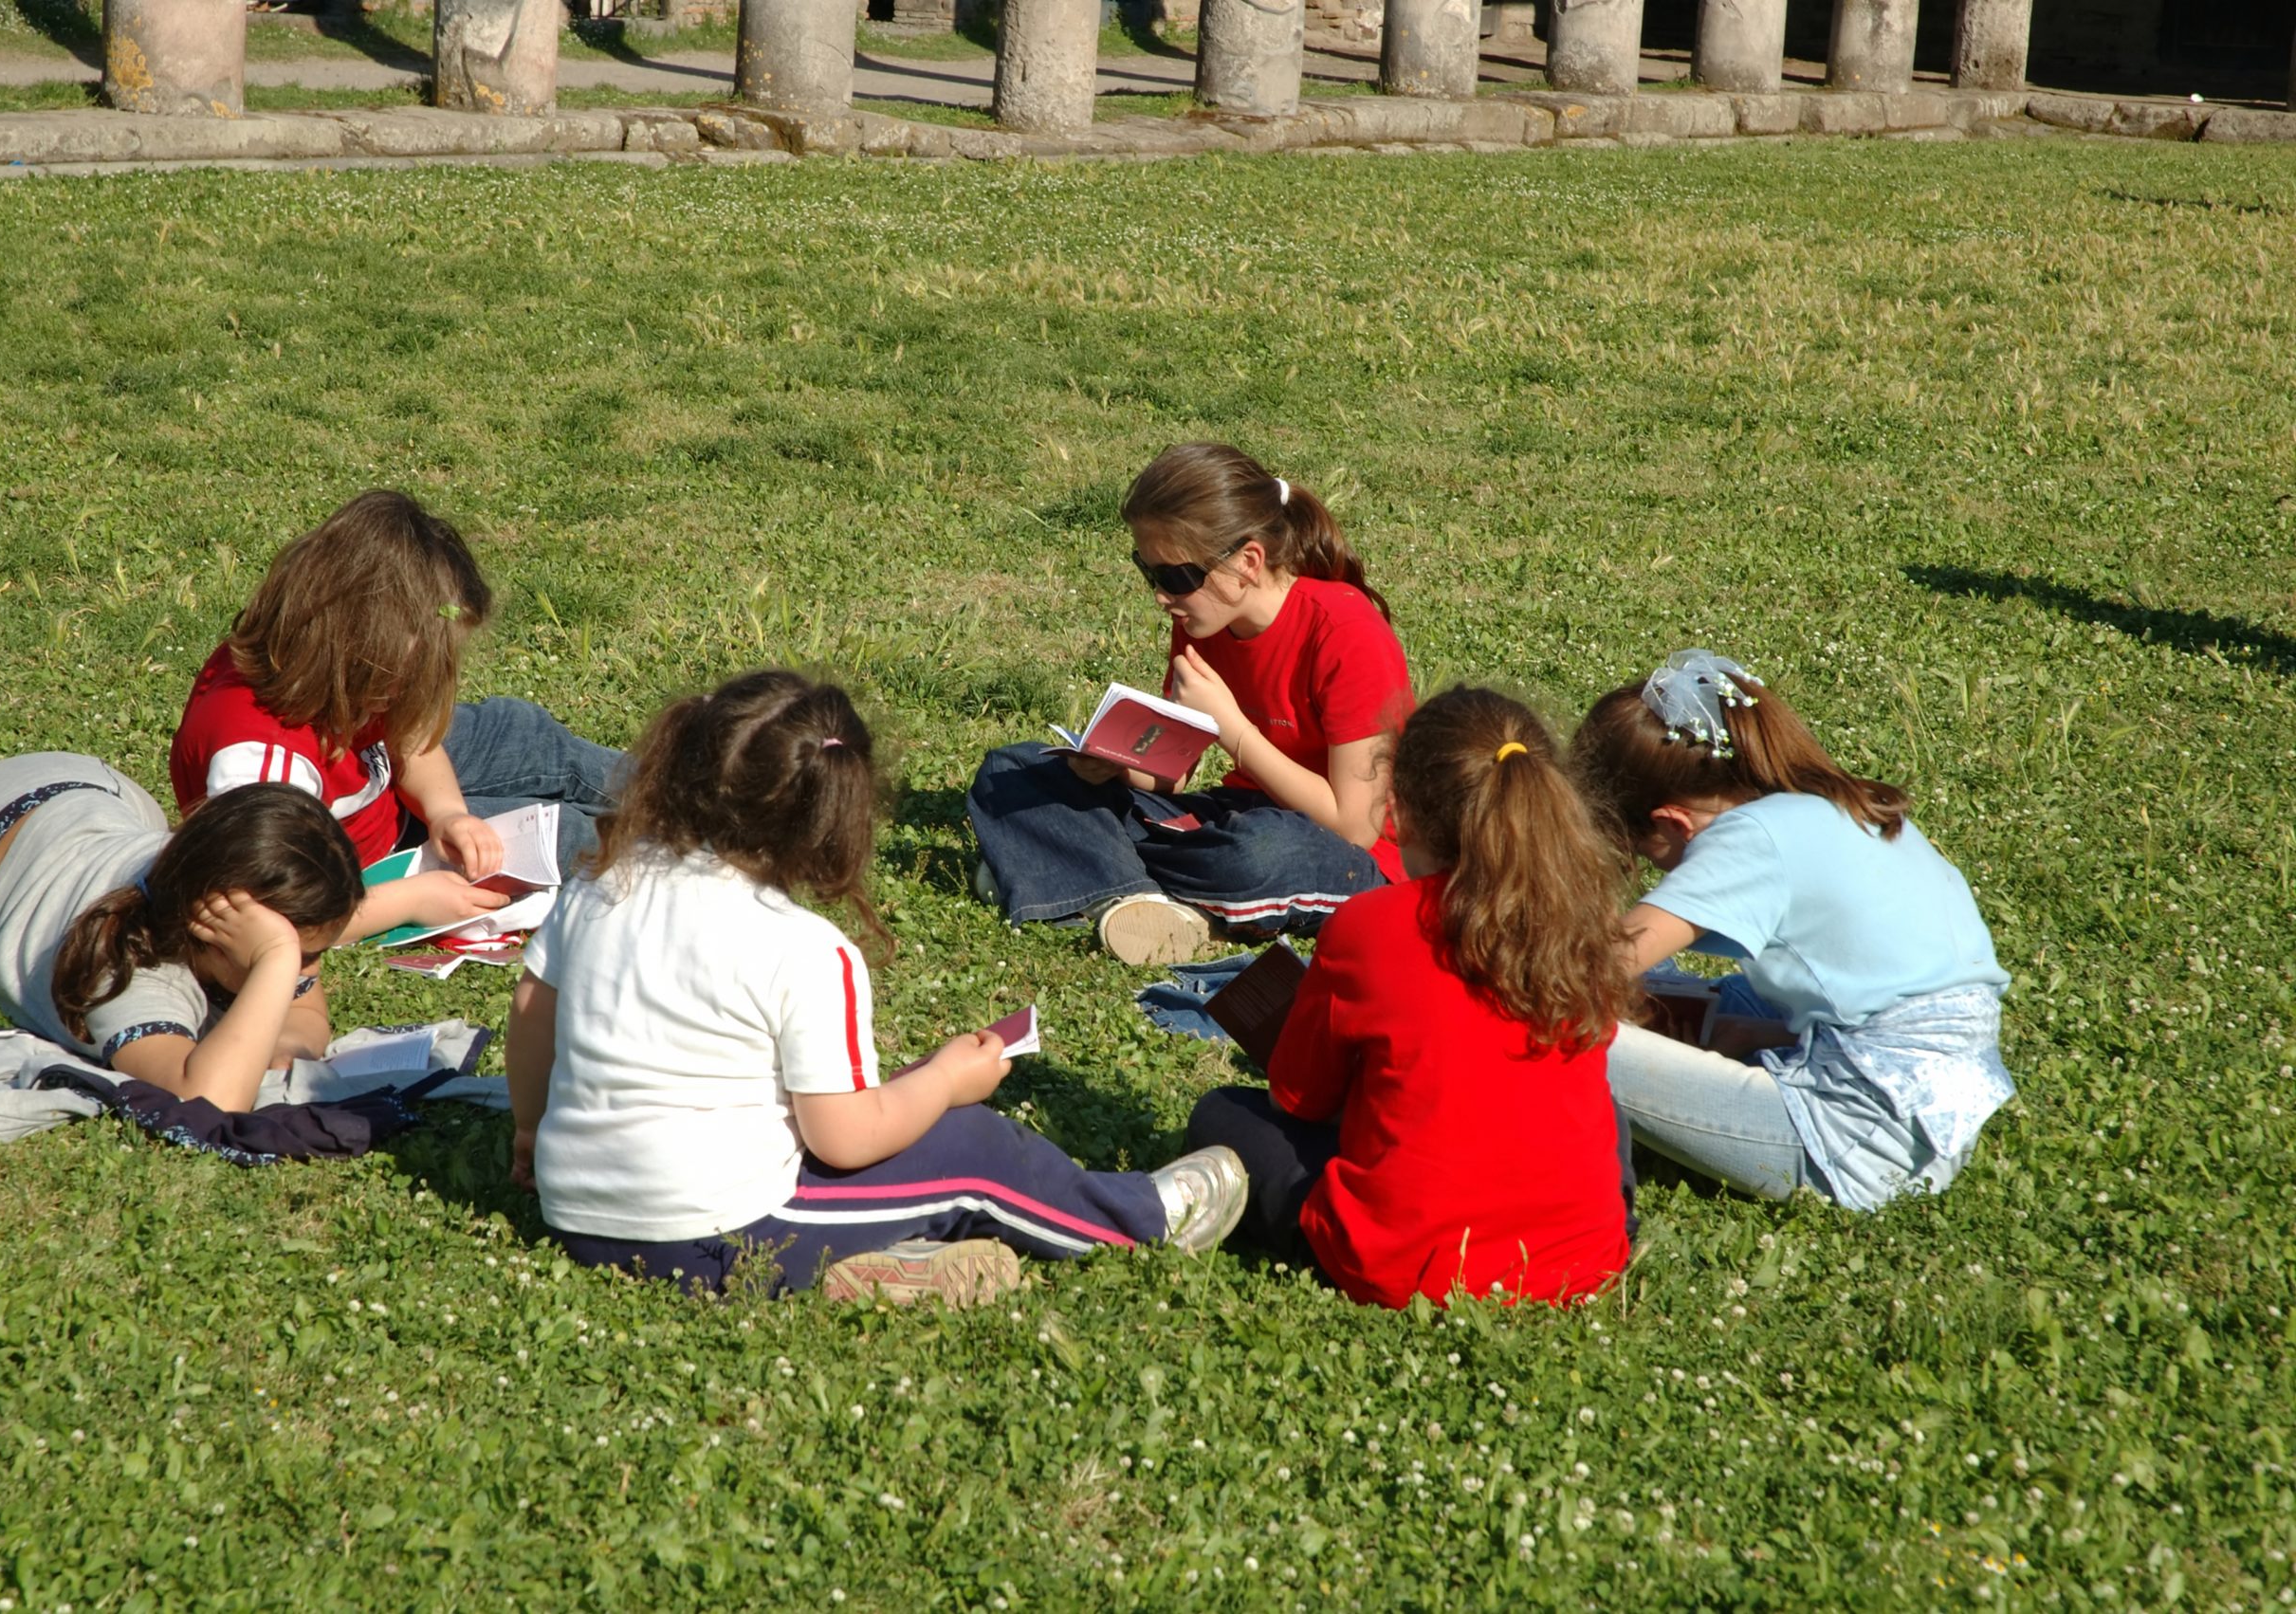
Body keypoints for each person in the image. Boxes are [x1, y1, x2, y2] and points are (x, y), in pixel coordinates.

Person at [506, 669, 1250, 1306]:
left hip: (574, 1214)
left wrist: (530, 1131)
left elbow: (532, 1009)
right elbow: (845, 1138)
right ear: (833, 819)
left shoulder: (606, 880)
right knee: (971, 1149)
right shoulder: (804, 948)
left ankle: (893, 1267)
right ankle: (1140, 1220)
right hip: (717, 1236)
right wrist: (946, 1082)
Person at [1185, 688, 1637, 1308]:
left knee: (1223, 1114)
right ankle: (1599, 1217)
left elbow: (1300, 1099)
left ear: (1401, 812)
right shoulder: (1583, 918)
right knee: (1603, 1102)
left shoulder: (1370, 925)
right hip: (1582, 1262)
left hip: (1410, 1268)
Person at [1567, 650, 2013, 1211]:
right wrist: (1745, 1036)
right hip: (1938, 1119)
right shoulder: (1831, 805)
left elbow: (1585, 973)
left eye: (1647, 855)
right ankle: (1728, 1048)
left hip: (1858, 1147)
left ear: (1671, 822)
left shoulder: (1747, 841)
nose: (1661, 876)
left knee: (1554, 1024)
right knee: (1685, 990)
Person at [966, 443, 1415, 966]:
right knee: (1014, 773)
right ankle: (1145, 903)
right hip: (1236, 817)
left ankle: (1077, 874)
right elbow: (1172, 775)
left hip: (1347, 856)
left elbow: (1354, 825)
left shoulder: (1345, 629)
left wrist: (1233, 729)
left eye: (1176, 577)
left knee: (1255, 854)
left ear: (1248, 562)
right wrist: (1113, 768)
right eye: (1148, 572)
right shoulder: (1203, 621)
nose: (1161, 595)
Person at [169, 489, 624, 944]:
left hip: (381, 787)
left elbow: (409, 733)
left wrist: (447, 811)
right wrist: (412, 901)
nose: (411, 693)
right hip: (377, 865)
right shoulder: (262, 763)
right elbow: (263, 916)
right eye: (408, 678)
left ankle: (684, 800)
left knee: (524, 733)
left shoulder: (331, 669)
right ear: (356, 643)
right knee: (567, 835)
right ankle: (678, 869)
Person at [0, 754, 361, 1111]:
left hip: (80, 796)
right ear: (215, 925)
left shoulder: (201, 878)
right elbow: (208, 1100)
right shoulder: (125, 968)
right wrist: (274, 959)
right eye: (293, 954)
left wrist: (288, 1042)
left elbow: (304, 1012)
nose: (301, 969)